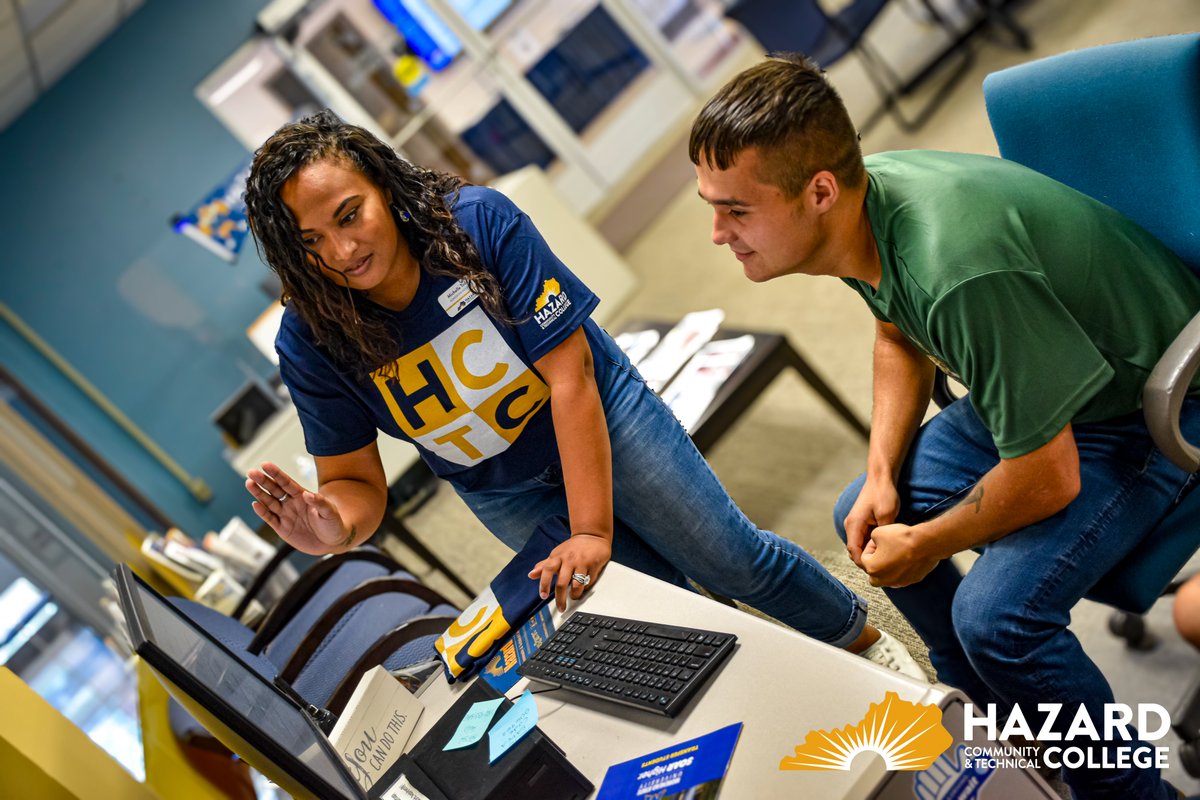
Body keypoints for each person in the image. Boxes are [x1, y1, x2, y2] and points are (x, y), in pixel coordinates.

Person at [239, 109, 923, 677]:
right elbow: (355, 480)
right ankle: (775, 690)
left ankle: (859, 638)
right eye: (311, 243)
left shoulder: (476, 225)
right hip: (504, 487)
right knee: (660, 612)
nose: (341, 251)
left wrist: (593, 528)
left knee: (728, 558)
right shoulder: (311, 336)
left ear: (383, 187)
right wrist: (335, 527)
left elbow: (571, 378)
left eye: (350, 214)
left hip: (602, 413)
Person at [689, 55, 1200, 800]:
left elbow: (1049, 476)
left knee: (997, 618)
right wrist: (878, 474)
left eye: (735, 210)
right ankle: (994, 722)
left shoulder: (954, 266)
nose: (715, 233)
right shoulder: (868, 202)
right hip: (1058, 380)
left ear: (819, 192)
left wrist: (926, 544)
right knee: (860, 511)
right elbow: (898, 331)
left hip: (1150, 408)